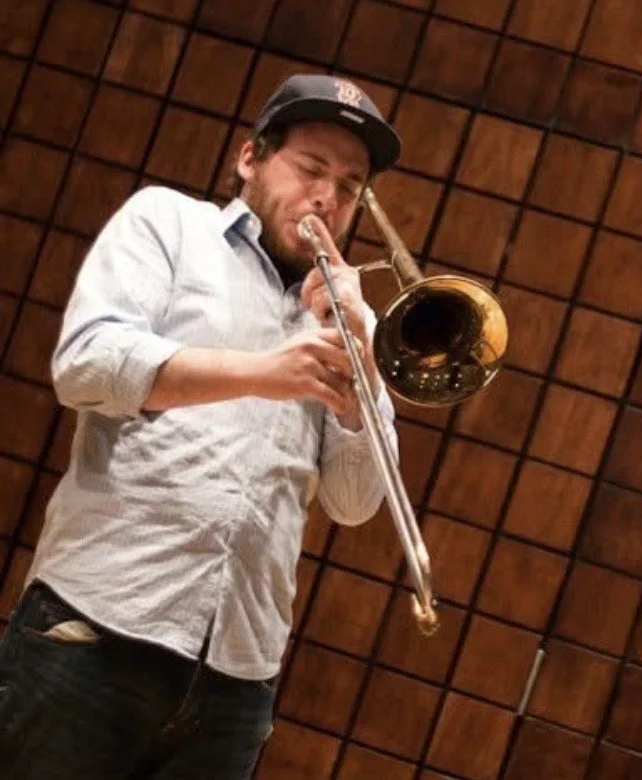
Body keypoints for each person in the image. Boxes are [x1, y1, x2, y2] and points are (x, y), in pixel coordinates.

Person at [0, 73, 403, 778]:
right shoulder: (169, 224)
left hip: (237, 680)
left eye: (349, 186)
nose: (327, 199)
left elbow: (356, 499)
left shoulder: (346, 318)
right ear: (250, 158)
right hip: (95, 631)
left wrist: (361, 362)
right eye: (311, 169)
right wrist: (262, 371)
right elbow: (86, 366)